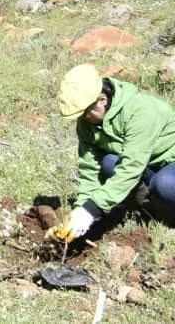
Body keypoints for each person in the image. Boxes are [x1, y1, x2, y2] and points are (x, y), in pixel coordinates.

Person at [46, 65, 175, 244]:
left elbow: (131, 167)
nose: (83, 119)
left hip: (169, 163)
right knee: (109, 164)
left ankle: (169, 222)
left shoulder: (140, 110)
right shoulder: (87, 123)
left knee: (165, 184)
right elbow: (90, 170)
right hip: (147, 166)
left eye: (85, 113)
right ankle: (148, 210)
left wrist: (92, 209)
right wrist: (81, 210)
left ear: (102, 100)